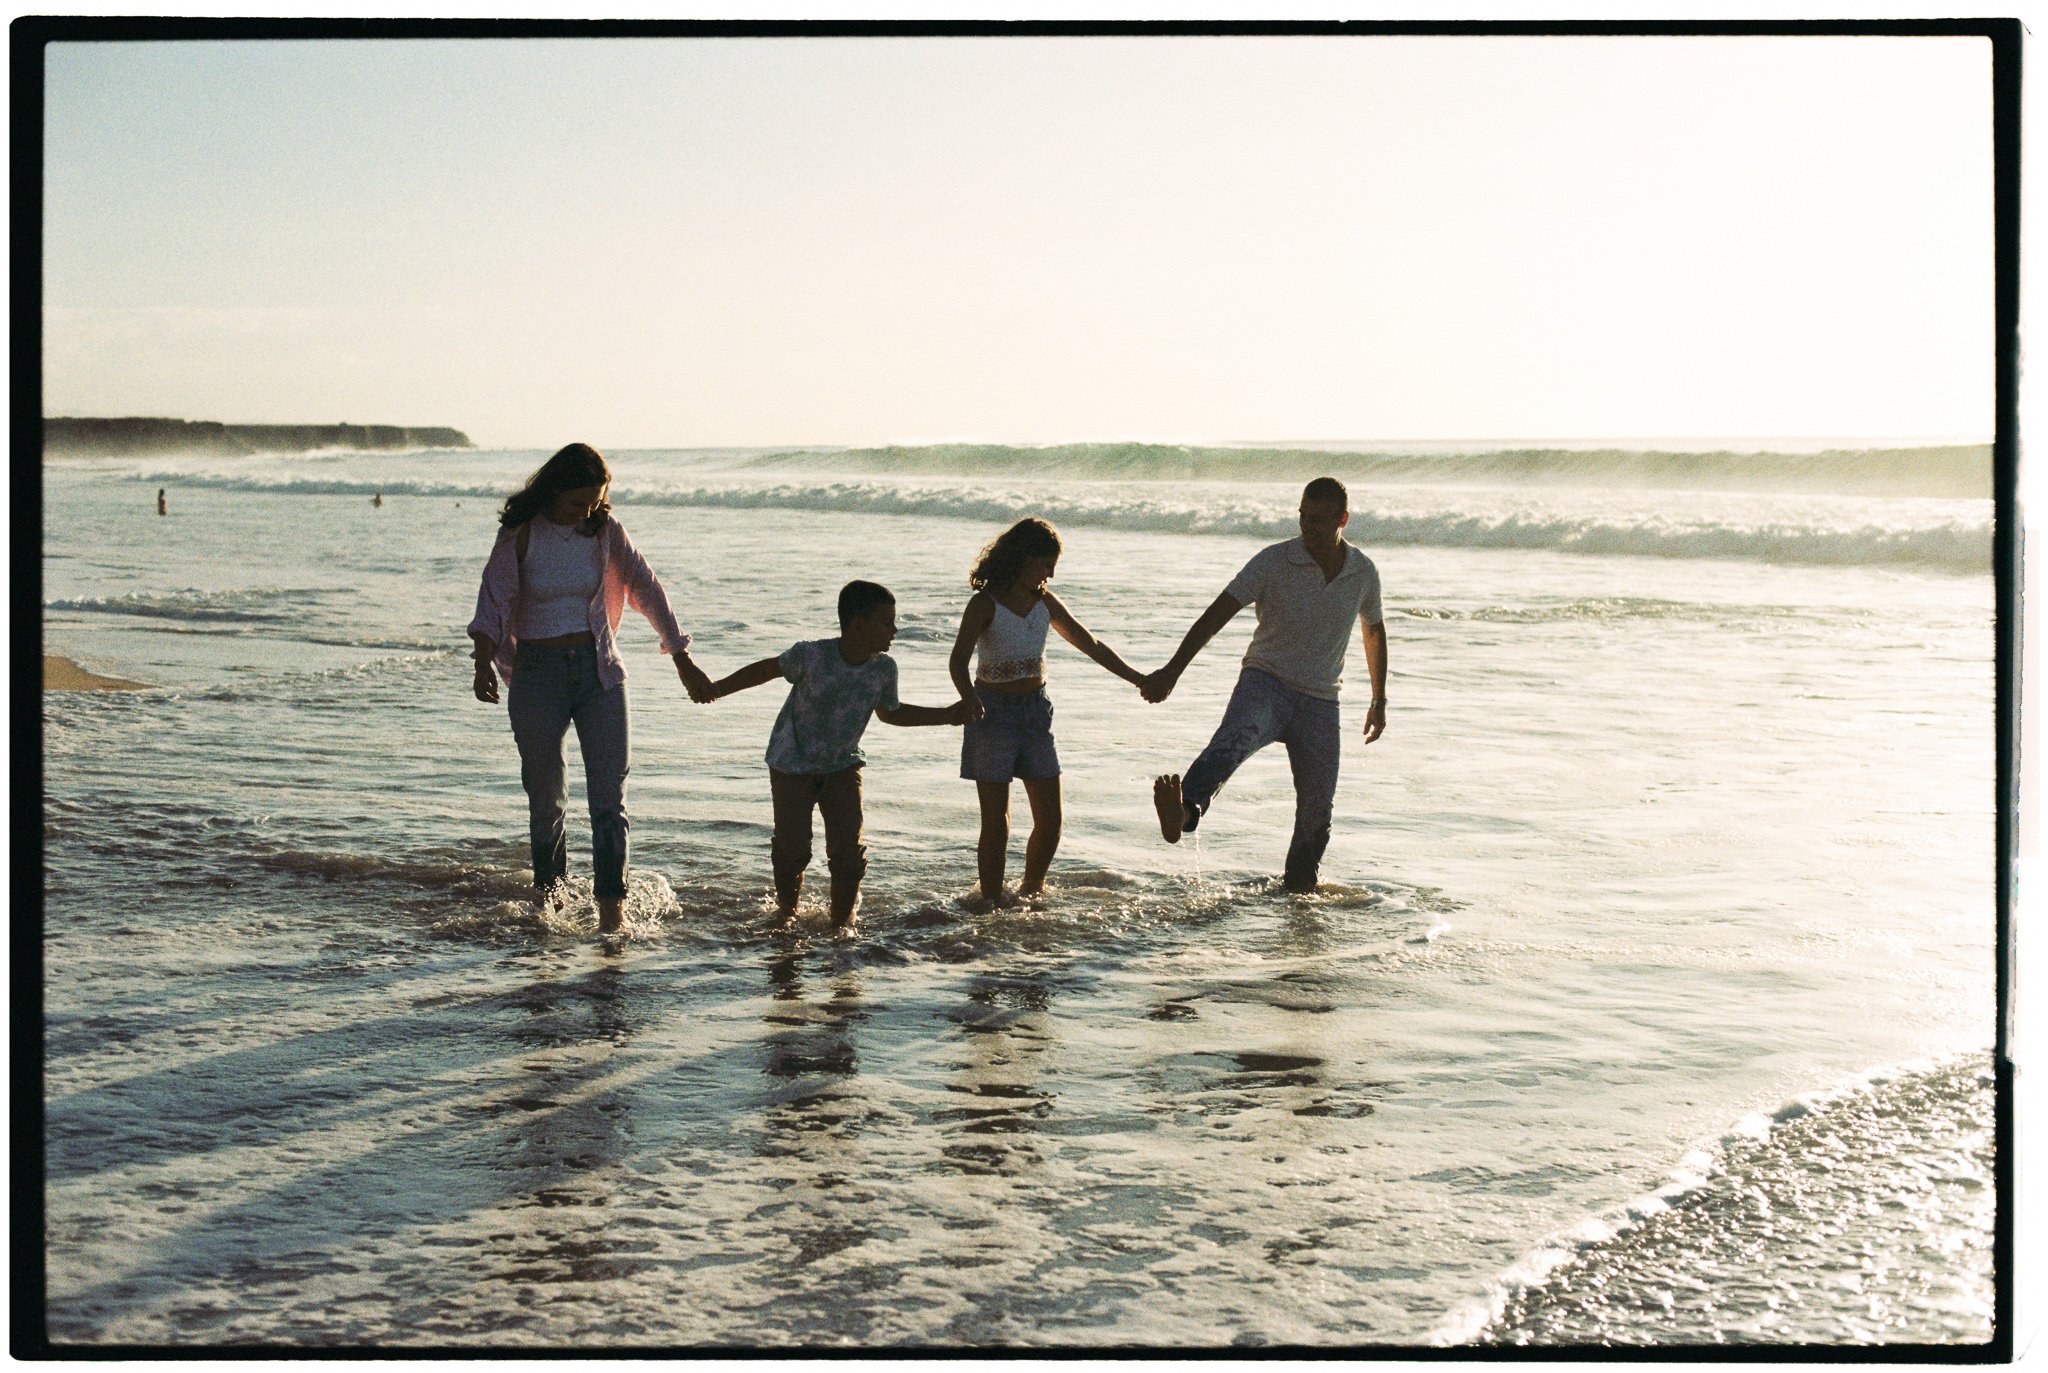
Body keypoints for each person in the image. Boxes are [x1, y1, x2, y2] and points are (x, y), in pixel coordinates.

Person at [468, 442, 714, 934]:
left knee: (609, 800)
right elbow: (492, 601)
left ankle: (611, 918)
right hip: (536, 675)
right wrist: (482, 664)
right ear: (554, 489)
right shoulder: (521, 535)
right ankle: (551, 906)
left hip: (599, 672)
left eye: (597, 500)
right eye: (579, 500)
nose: (589, 510)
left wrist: (681, 657)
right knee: (547, 799)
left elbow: (646, 588)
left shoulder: (604, 532)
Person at [1144, 477, 1388, 892]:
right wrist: (1173, 669)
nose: (1307, 526)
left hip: (1322, 700)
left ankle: (1300, 889)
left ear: (1342, 519)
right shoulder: (1273, 561)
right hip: (1266, 683)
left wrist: (1378, 699)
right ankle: (1182, 813)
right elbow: (1215, 615)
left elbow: (1374, 632)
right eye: (1303, 516)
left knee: (1317, 810)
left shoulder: (1362, 572)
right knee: (1228, 746)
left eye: (1318, 520)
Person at [705, 580, 970, 930]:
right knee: (793, 848)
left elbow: (891, 713)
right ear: (857, 625)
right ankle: (786, 915)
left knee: (848, 853)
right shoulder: (811, 655)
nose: (895, 630)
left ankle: (842, 926)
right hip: (791, 764)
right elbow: (766, 669)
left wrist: (947, 715)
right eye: (886, 622)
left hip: (843, 765)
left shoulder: (883, 669)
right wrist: (717, 689)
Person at [947, 518, 1144, 904]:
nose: (1051, 574)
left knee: (1050, 820)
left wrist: (1139, 678)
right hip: (992, 715)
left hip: (1036, 714)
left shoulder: (1044, 603)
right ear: (1023, 559)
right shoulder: (985, 604)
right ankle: (989, 902)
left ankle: (1030, 891)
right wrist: (968, 697)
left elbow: (1092, 644)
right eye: (1046, 564)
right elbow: (957, 662)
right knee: (996, 823)